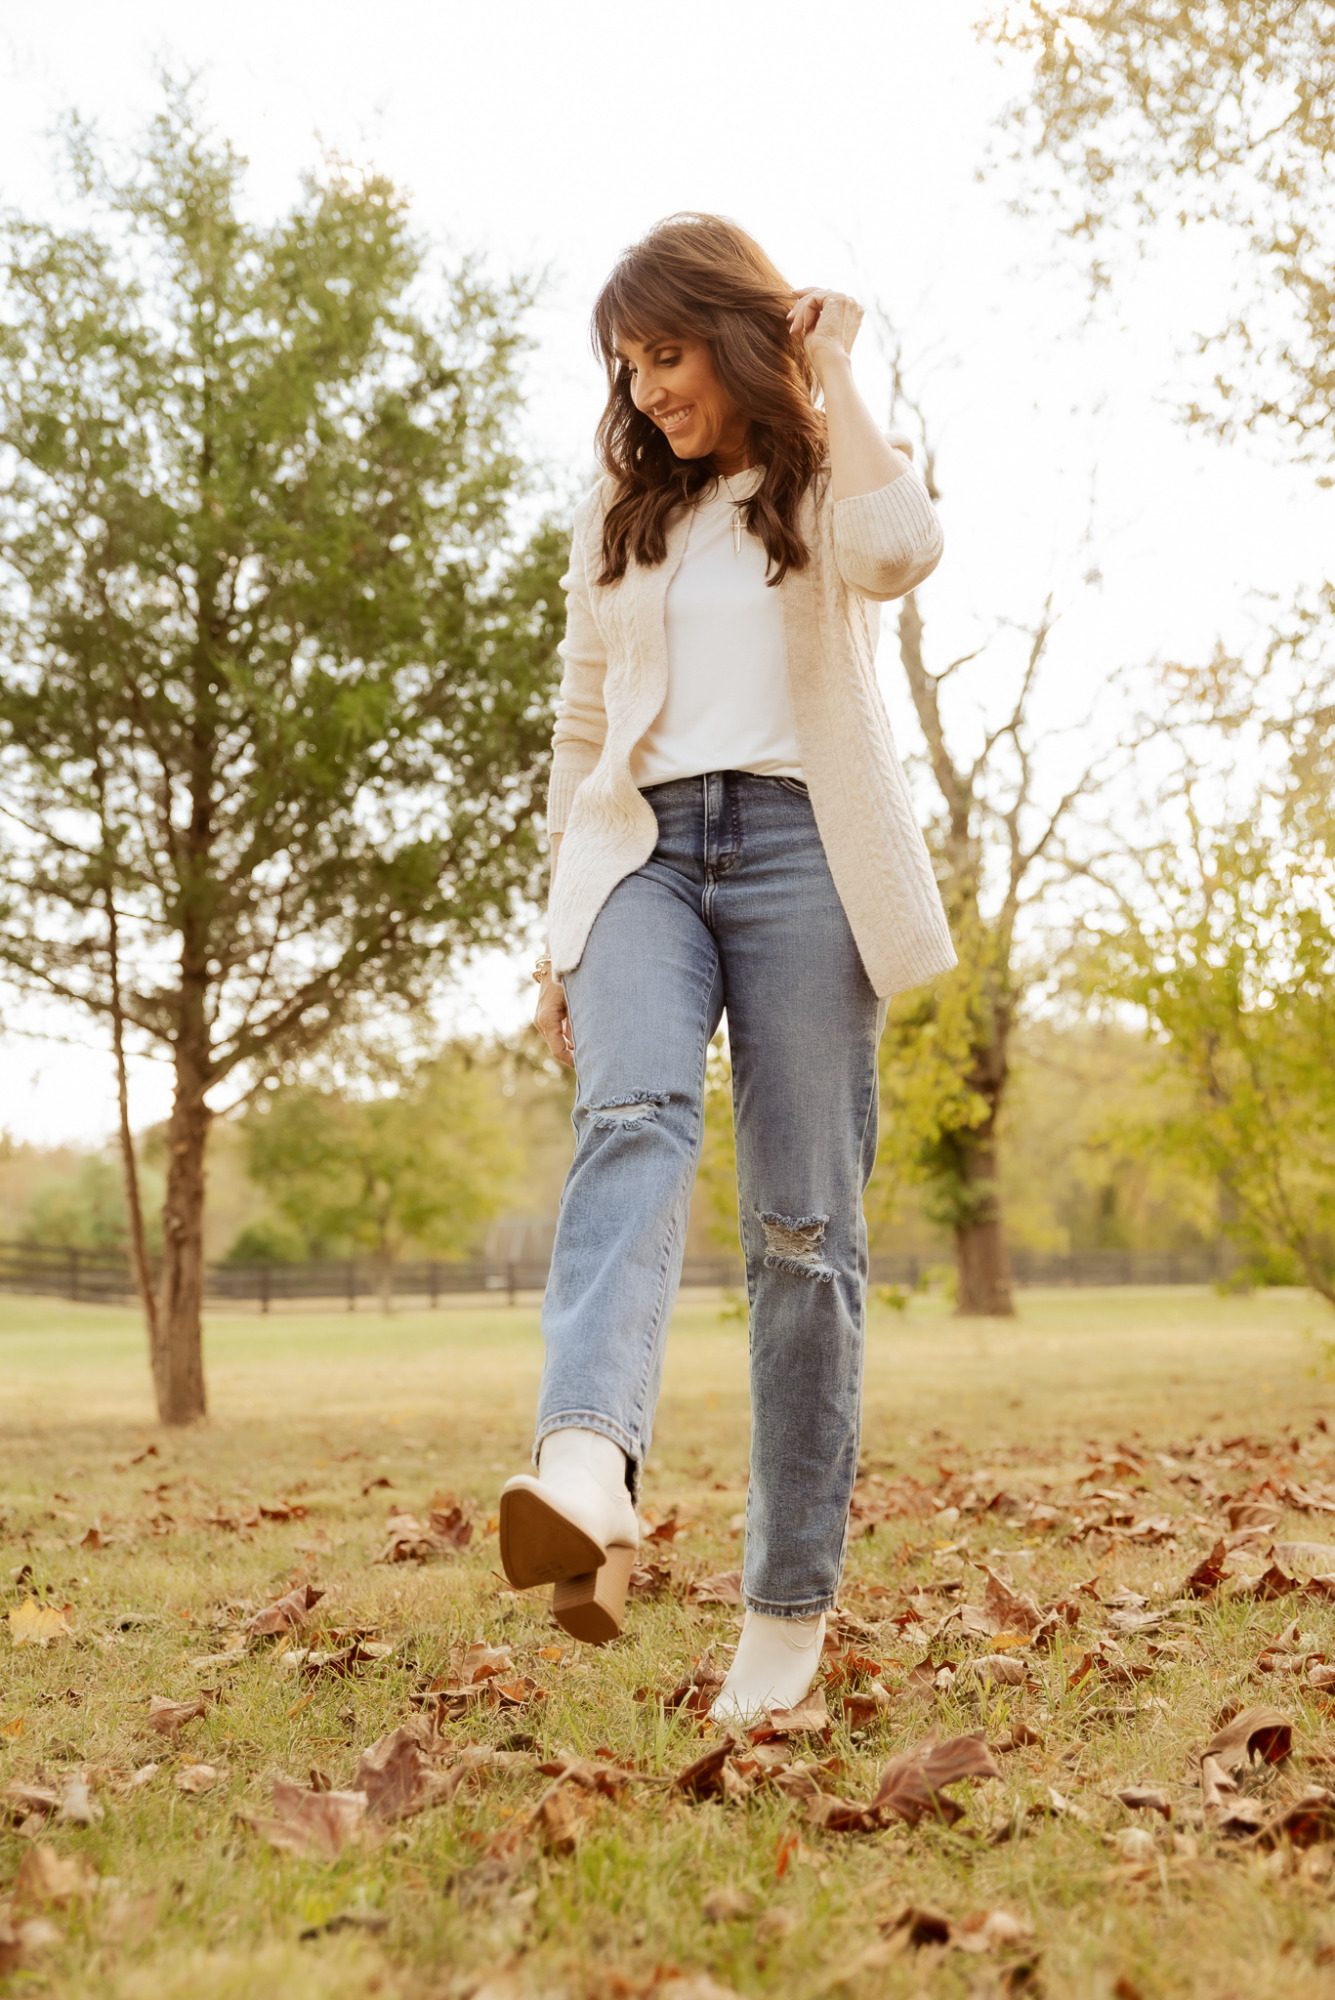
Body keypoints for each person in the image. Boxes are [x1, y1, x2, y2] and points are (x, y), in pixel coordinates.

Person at [498, 211, 955, 1725]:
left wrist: (838, 360)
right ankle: (584, 1463)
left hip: (803, 858)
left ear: (735, 336)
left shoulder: (819, 484)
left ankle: (784, 1616)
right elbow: (579, 727)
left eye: (666, 357)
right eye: (625, 370)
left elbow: (907, 551)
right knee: (629, 1119)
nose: (644, 396)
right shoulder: (620, 512)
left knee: (803, 1236)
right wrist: (555, 933)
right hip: (635, 857)